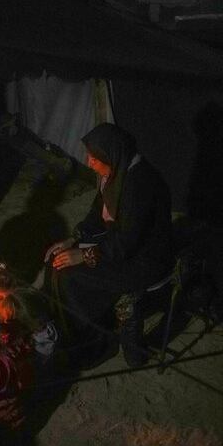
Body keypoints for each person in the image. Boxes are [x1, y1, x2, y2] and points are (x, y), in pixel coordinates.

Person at [46, 123, 174, 369]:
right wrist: (74, 239)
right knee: (57, 261)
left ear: (111, 155)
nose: (89, 163)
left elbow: (129, 241)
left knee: (71, 276)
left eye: (94, 158)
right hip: (117, 245)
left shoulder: (140, 184)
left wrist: (84, 254)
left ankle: (97, 344)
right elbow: (97, 214)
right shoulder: (114, 175)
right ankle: (70, 334)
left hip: (144, 259)